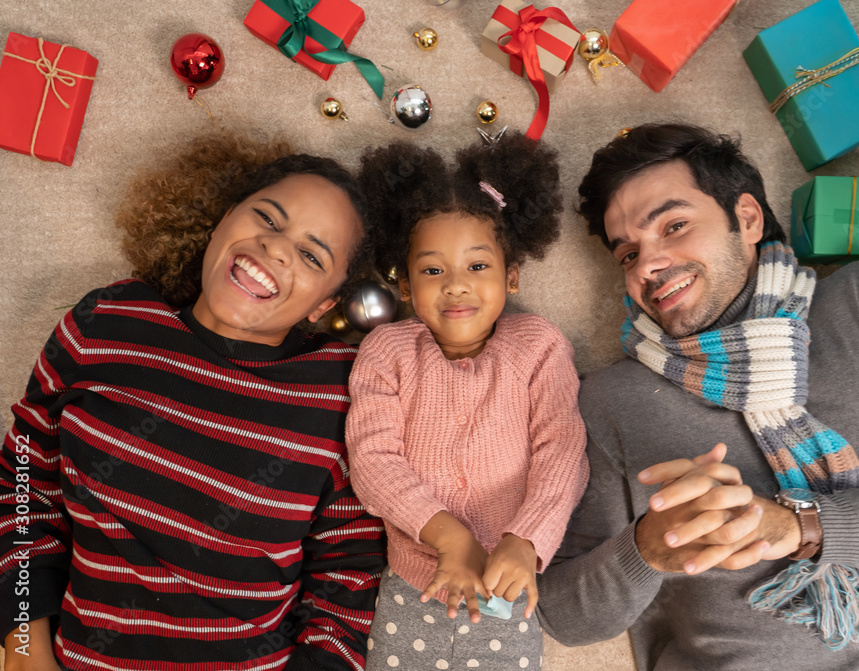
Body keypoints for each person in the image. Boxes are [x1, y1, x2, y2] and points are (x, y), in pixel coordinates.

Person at [535, 123, 859, 670]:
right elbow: (565, 617)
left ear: (748, 218)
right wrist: (644, 550)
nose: (647, 266)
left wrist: (799, 525)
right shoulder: (614, 399)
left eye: (675, 226)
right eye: (627, 255)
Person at [0, 133, 387, 670]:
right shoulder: (106, 325)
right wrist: (22, 639)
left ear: (325, 304)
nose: (276, 248)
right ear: (225, 218)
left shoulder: (343, 392)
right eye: (268, 220)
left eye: (309, 254)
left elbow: (352, 569)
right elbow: (20, 482)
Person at [345, 132, 589, 671]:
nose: (455, 285)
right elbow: (372, 461)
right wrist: (448, 538)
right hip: (418, 579)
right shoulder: (386, 350)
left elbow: (563, 452)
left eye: (477, 266)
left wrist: (526, 540)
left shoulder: (539, 346)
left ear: (512, 275)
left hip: (510, 578)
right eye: (432, 270)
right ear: (405, 286)